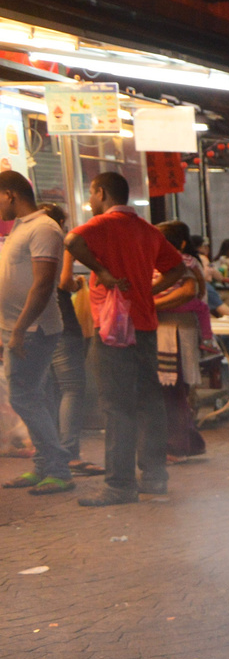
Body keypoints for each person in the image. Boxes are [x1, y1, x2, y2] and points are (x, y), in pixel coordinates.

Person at [63, 171, 188, 505]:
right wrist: (150, 288)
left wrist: (102, 272)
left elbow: (71, 241)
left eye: (90, 194)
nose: (90, 201)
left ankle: (119, 485)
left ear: (100, 192)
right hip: (145, 325)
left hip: (113, 329)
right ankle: (154, 476)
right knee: (149, 401)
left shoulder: (103, 225)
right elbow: (179, 270)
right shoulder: (147, 231)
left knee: (117, 406)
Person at [0, 172, 72, 495]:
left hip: (33, 329)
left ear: (11, 195)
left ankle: (57, 466)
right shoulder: (22, 227)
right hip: (17, 328)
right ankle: (45, 465)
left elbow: (43, 285)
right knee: (35, 396)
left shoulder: (44, 228)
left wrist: (18, 329)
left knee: (23, 396)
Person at [38, 204, 101, 478]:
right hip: (62, 320)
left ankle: (50, 454)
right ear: (61, 222)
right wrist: (77, 283)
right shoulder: (61, 243)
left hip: (34, 325)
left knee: (48, 390)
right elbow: (64, 282)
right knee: (72, 388)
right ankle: (69, 453)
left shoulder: (26, 242)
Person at [153, 221, 210, 460]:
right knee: (175, 390)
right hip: (172, 328)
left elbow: (192, 291)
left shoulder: (182, 263)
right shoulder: (174, 263)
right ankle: (190, 441)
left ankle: (177, 445)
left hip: (173, 330)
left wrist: (148, 303)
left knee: (173, 389)